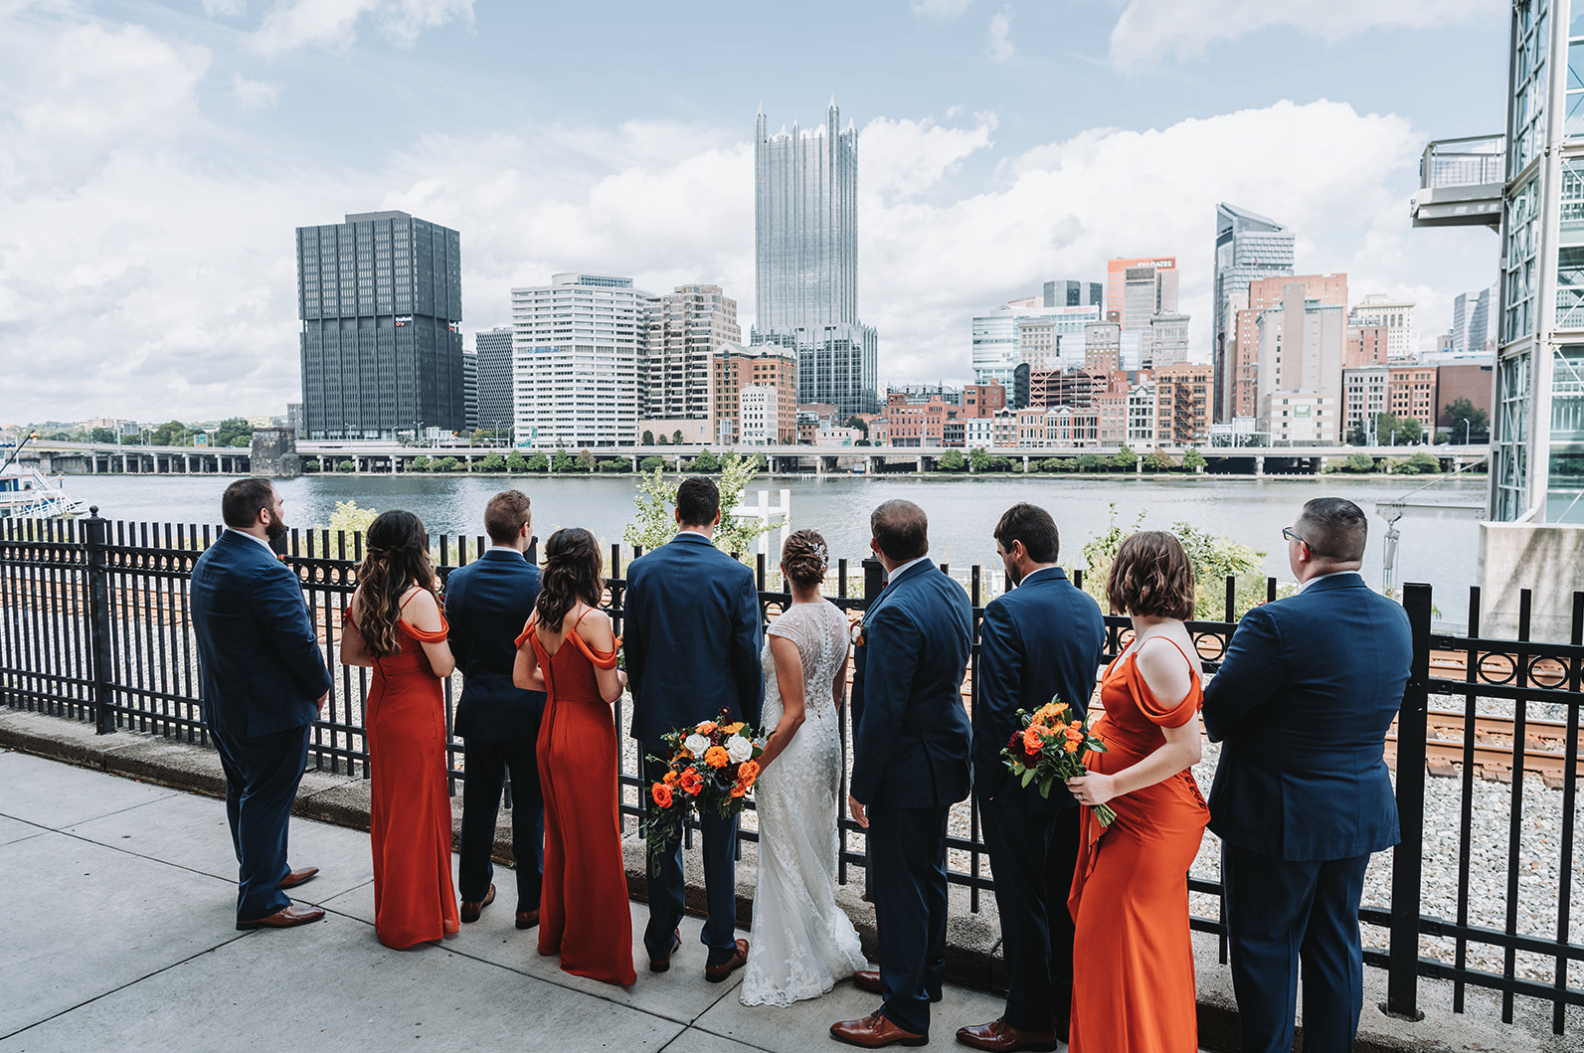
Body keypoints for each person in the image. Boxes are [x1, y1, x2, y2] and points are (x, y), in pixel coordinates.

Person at [1202, 498, 1411, 1053]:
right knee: (1336, 942)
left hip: (1277, 818)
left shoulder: (1275, 621)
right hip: (1355, 814)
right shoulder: (1396, 618)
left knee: (1266, 946)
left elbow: (1218, 714)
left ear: (1302, 549)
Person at [957, 503, 1104, 1053]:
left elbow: (993, 712)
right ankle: (1064, 1012)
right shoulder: (1089, 608)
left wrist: (987, 786)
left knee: (1021, 904)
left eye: (1002, 553)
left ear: (1019, 549)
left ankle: (1026, 1022)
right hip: (1070, 781)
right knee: (1060, 901)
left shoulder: (1006, 613)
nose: (1003, 563)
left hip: (1017, 786)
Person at [831, 500, 971, 1049]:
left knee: (900, 888)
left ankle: (905, 1013)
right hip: (944, 756)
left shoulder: (893, 610)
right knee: (928, 875)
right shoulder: (950, 590)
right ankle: (919, 976)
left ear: (876, 548)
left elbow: (884, 711)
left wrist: (862, 786)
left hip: (907, 769)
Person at [1063, 530, 1210, 1053]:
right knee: (1140, 952)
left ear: (1130, 575)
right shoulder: (1156, 635)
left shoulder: (1159, 651)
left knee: (1112, 947)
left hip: (1144, 823)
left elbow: (1187, 748)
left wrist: (1109, 783)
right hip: (1135, 817)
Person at [624, 477, 763, 982]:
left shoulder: (642, 571)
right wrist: (747, 728)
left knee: (662, 834)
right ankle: (720, 946)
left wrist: (650, 703)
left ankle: (660, 940)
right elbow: (746, 660)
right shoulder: (736, 575)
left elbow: (633, 653)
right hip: (719, 732)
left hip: (660, 722)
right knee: (719, 839)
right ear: (717, 517)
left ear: (676, 511)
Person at [190, 479, 332, 931]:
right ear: (264, 515)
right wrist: (320, 685)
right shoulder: (268, 572)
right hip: (269, 712)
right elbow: (298, 641)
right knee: (267, 800)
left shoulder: (209, 560)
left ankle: (268, 870)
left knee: (243, 793)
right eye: (280, 504)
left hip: (225, 703)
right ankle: (261, 900)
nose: (284, 510)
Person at [740, 529, 867, 1007]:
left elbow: (791, 713)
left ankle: (799, 957)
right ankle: (817, 938)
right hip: (826, 743)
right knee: (812, 842)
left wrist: (754, 763)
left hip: (790, 749)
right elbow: (833, 696)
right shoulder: (838, 618)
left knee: (785, 847)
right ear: (822, 571)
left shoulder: (785, 628)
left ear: (784, 572)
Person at [512, 528, 635, 986]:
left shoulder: (541, 612)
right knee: (596, 844)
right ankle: (595, 952)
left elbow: (522, 679)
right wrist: (623, 676)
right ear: (591, 566)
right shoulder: (594, 620)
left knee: (562, 838)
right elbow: (607, 693)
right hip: (585, 737)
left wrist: (563, 688)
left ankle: (558, 934)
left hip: (550, 731)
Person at [339, 510, 461, 949]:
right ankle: (416, 919)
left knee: (392, 810)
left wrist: (391, 660)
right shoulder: (420, 599)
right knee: (420, 809)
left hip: (382, 707)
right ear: (417, 547)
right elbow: (444, 666)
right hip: (416, 711)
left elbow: (350, 656)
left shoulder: (364, 593)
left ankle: (398, 909)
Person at [445, 490, 546, 930]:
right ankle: (530, 903)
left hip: (481, 705)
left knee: (479, 803)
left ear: (489, 529)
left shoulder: (460, 580)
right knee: (529, 807)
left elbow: (456, 648)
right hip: (528, 709)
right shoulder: (538, 584)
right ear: (525, 529)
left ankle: (471, 893)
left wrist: (482, 675)